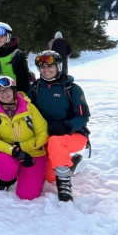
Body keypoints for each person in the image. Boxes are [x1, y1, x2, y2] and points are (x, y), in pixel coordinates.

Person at [28, 51, 90, 202]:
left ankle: (64, 186)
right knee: (49, 177)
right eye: (41, 67)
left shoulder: (72, 89)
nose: (45, 69)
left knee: (56, 141)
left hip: (73, 134)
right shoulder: (35, 89)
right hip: (47, 135)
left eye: (50, 66)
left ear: (58, 66)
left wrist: (68, 126)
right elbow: (28, 112)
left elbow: (83, 116)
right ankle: (70, 164)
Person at [0, 76, 49, 199]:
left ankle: (29, 173)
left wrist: (23, 147)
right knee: (7, 167)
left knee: (27, 195)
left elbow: (43, 134)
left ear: (13, 90)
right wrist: (13, 150)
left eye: (7, 89)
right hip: (7, 151)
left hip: (33, 152)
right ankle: (5, 181)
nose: (4, 94)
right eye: (0, 91)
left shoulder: (29, 108)